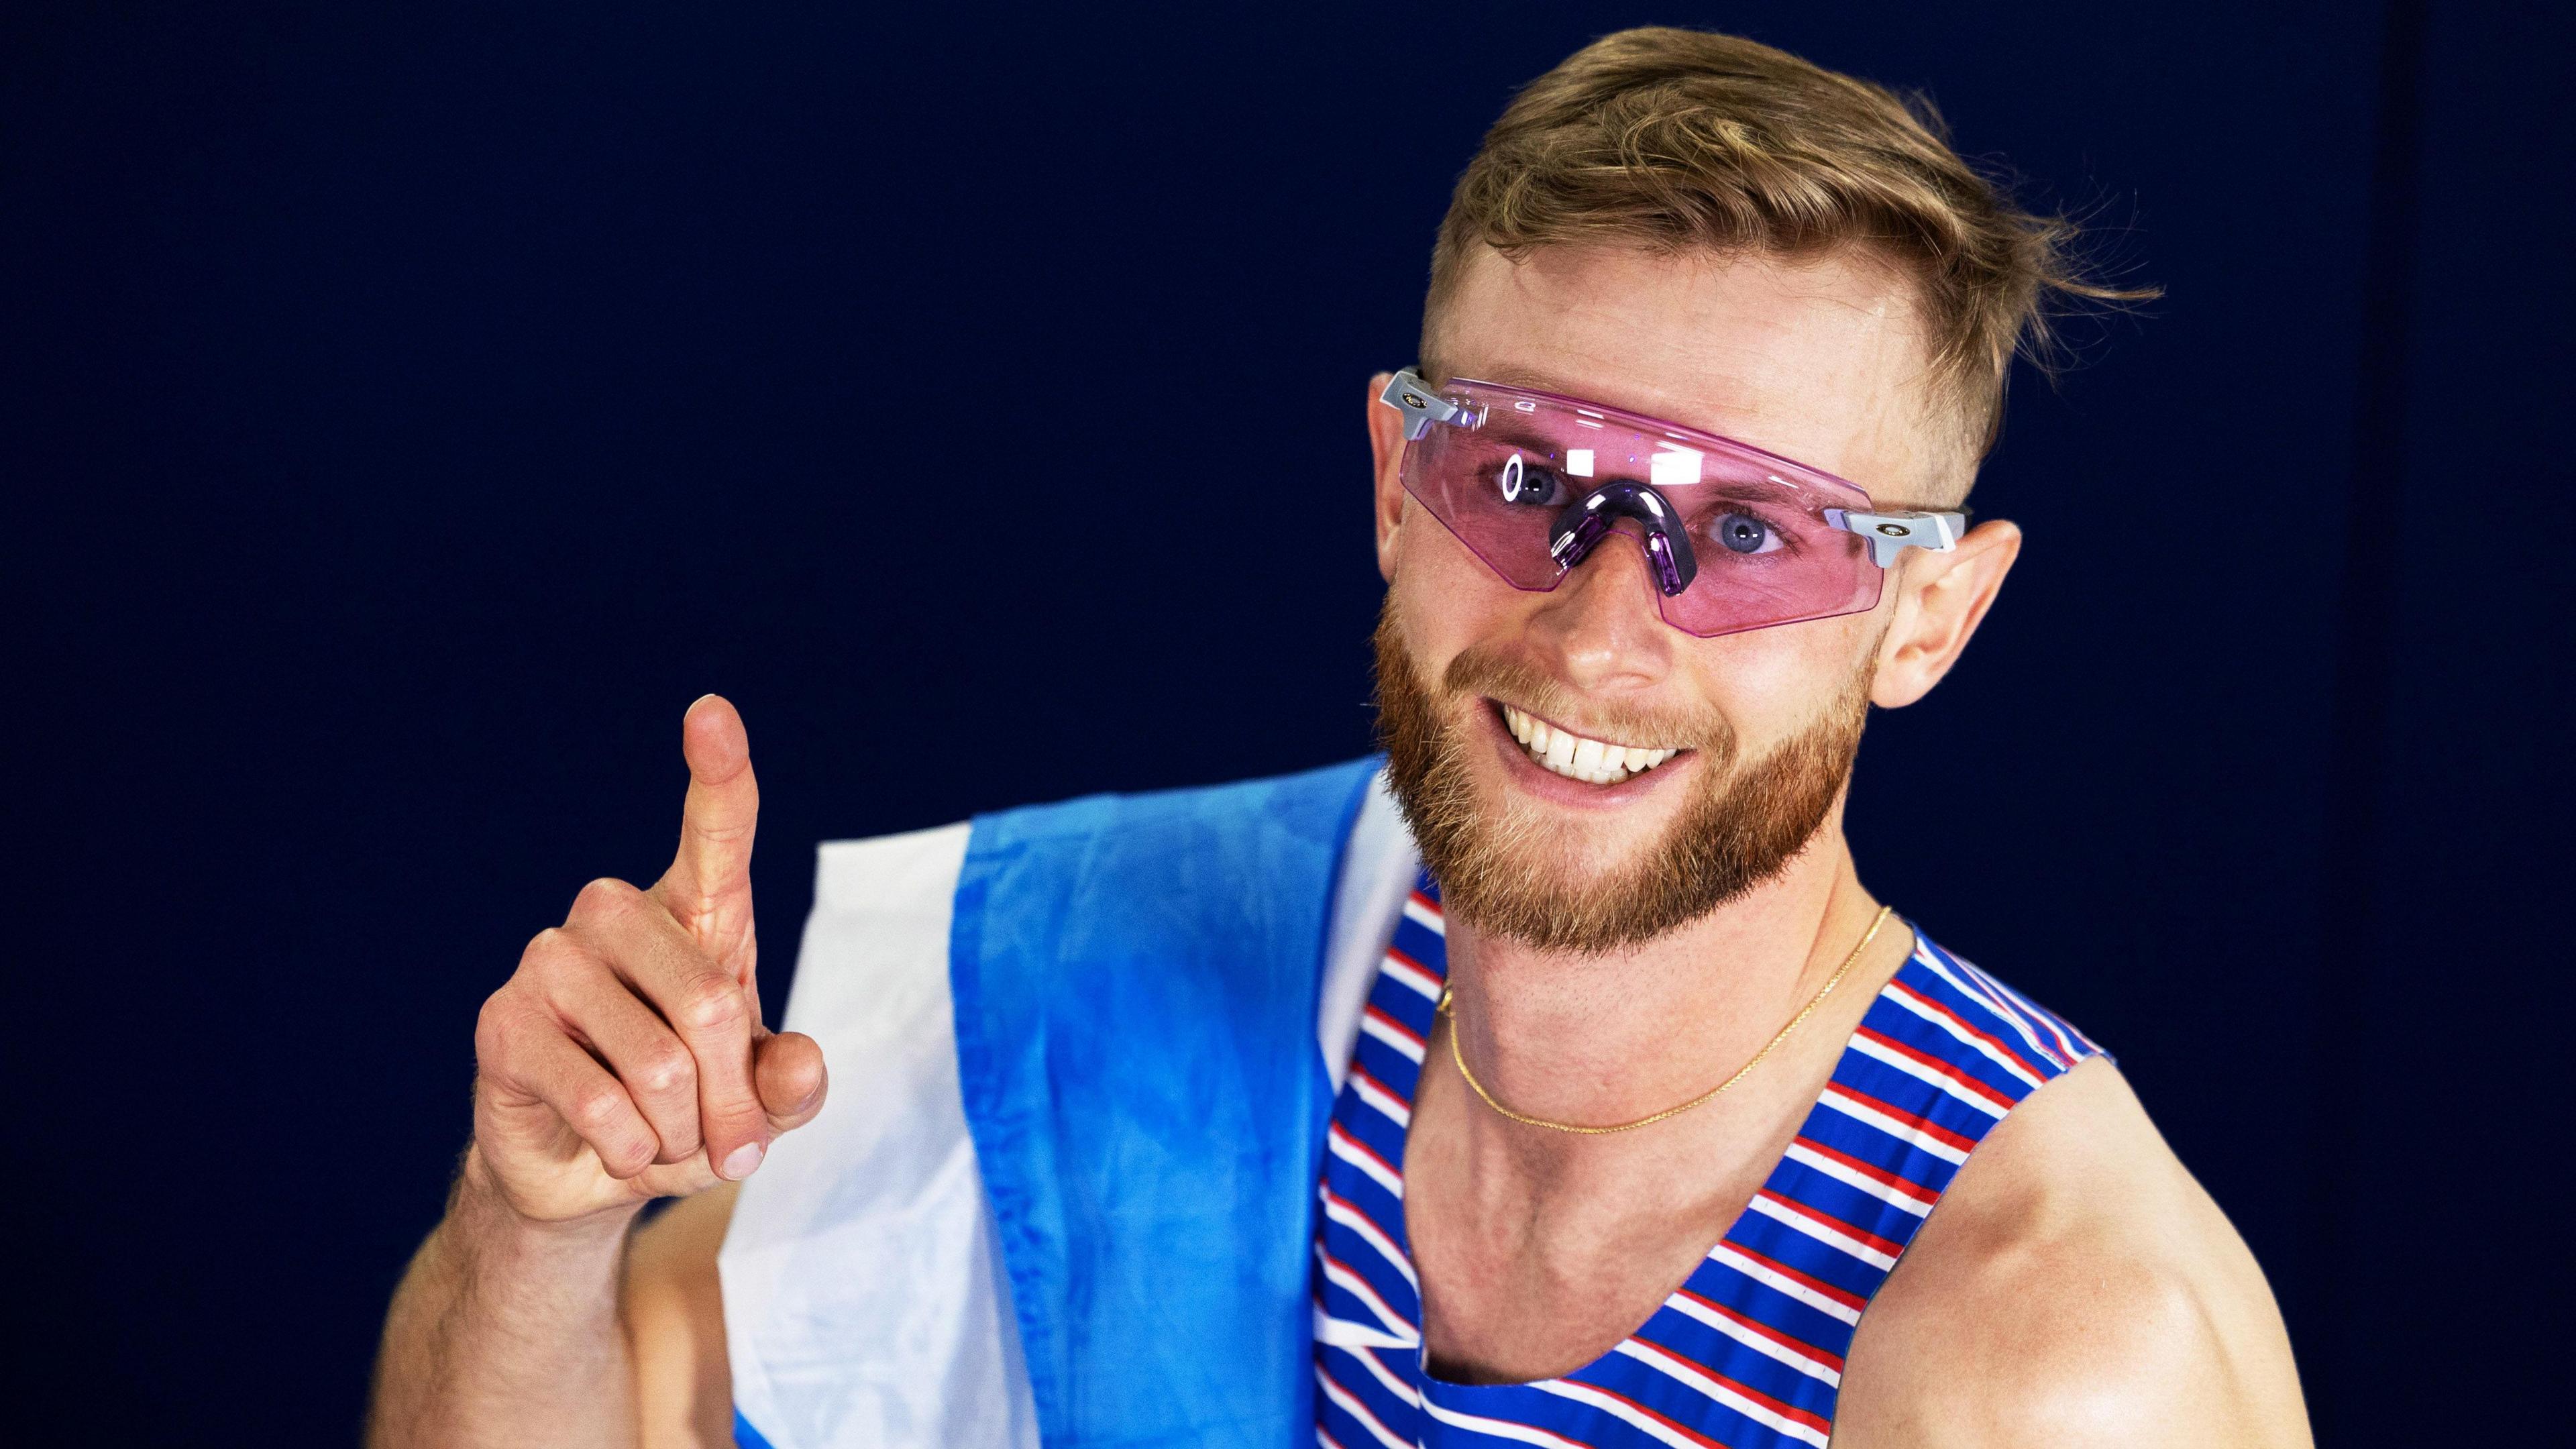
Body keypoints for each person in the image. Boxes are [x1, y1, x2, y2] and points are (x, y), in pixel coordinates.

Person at [369, 26, 2311, 1449]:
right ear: (1396, 480)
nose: (1601, 625)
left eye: (1752, 534)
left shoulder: (2056, 1351)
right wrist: (532, 1217)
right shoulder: (1135, 973)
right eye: (1524, 475)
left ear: (1928, 618)